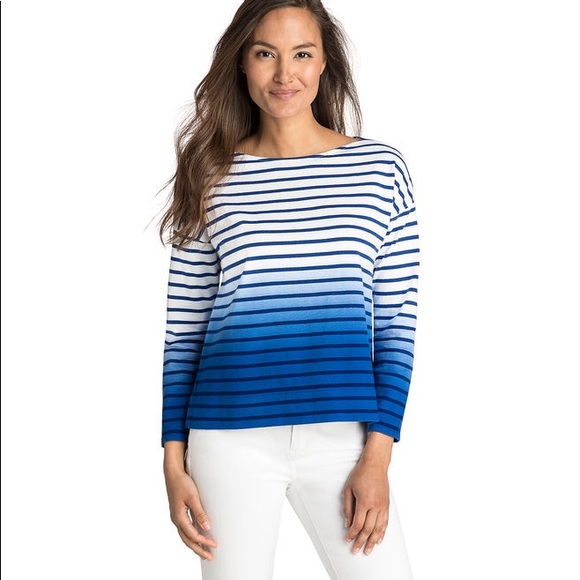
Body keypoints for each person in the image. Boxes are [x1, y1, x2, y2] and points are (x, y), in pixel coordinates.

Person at [159, 1, 419, 578]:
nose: (285, 74)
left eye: (302, 53)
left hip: (344, 438)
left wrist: (378, 456)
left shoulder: (379, 170)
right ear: (242, 63)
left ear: (324, 62)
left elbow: (396, 326)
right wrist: (173, 462)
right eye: (265, 54)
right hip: (228, 436)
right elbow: (185, 331)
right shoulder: (210, 173)